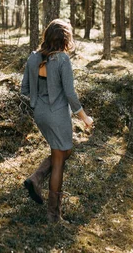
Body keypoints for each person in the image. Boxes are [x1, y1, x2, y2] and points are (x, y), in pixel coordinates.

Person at [21, 19, 94, 223]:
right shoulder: (62, 60)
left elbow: (24, 89)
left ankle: (36, 178)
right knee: (60, 159)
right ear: (64, 39)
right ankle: (54, 215)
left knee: (64, 151)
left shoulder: (33, 58)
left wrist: (39, 100)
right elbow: (70, 94)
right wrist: (85, 118)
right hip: (57, 113)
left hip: (40, 113)